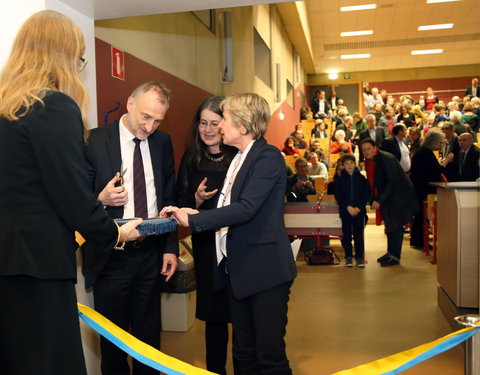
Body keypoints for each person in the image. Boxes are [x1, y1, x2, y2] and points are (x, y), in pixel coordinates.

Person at [0, 10, 142, 375]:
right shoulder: (52, 106)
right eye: (79, 58)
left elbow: (33, 189)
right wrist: (115, 233)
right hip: (39, 265)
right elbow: (70, 194)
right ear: (63, 55)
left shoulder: (7, 107)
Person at [161, 93, 297, 375]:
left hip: (265, 272)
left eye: (225, 119)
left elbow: (246, 209)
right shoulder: (240, 158)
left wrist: (195, 220)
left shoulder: (267, 157)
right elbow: (228, 207)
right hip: (239, 270)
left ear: (243, 125)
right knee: (244, 353)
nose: (219, 126)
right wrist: (192, 212)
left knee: (269, 358)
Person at [84, 81, 179, 375]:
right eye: (146, 117)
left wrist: (170, 248)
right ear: (129, 104)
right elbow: (74, 197)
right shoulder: (94, 141)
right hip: (111, 255)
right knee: (113, 341)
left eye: (158, 120)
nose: (149, 127)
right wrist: (100, 198)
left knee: (148, 339)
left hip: (151, 253)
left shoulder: (162, 143)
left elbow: (168, 198)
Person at [175, 96, 237, 375]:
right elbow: (180, 202)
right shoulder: (192, 158)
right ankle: (216, 371)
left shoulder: (239, 155)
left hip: (238, 243)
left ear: (226, 125)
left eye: (214, 123)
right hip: (206, 246)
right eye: (203, 123)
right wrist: (197, 200)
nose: (208, 129)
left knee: (242, 314)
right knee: (214, 317)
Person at [360, 139, 418, 266]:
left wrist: (379, 200)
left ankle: (395, 257)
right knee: (390, 225)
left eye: (368, 148)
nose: (366, 152)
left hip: (399, 197)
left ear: (375, 148)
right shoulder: (375, 159)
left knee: (396, 226)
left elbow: (391, 182)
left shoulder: (386, 158)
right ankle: (390, 253)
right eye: (363, 150)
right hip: (391, 196)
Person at [409, 130, 454, 248]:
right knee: (421, 216)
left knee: (419, 216)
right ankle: (419, 242)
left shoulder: (423, 152)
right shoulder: (426, 153)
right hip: (423, 188)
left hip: (420, 187)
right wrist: (447, 160)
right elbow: (438, 170)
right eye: (440, 143)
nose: (441, 145)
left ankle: (416, 241)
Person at [334, 155, 372, 267]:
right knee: (346, 235)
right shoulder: (340, 180)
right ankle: (348, 257)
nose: (349, 165)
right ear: (343, 166)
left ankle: (359, 257)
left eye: (351, 163)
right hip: (346, 211)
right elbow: (339, 196)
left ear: (355, 164)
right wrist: (348, 207)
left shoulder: (361, 179)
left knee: (358, 235)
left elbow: (366, 194)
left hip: (359, 211)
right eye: (346, 163)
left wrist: (359, 207)